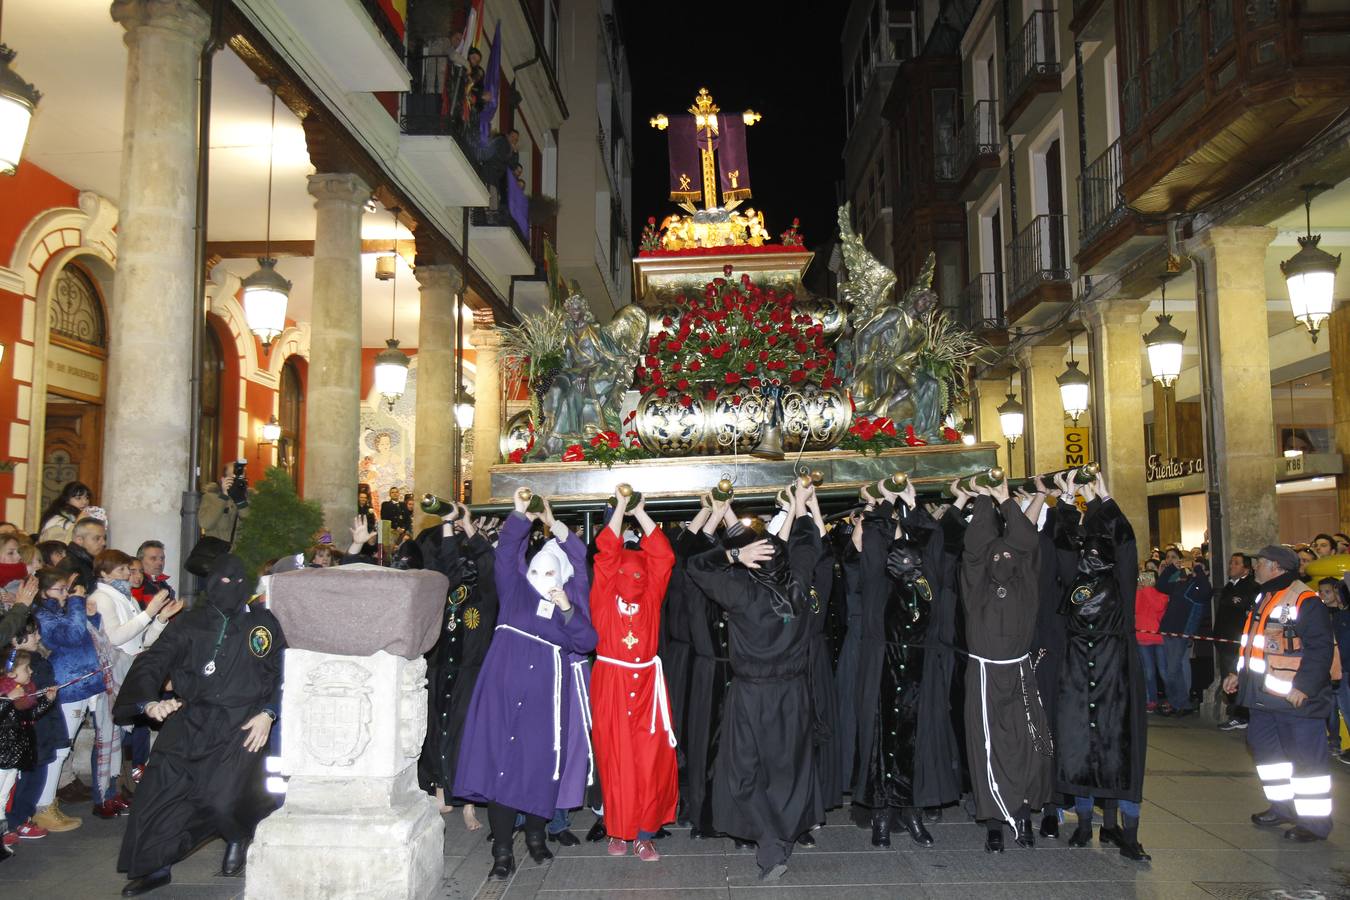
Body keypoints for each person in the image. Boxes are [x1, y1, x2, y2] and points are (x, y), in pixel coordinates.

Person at [114, 554, 286, 895]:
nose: (231, 589)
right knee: (160, 791)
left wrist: (268, 712)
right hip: (191, 717)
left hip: (243, 723)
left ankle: (237, 833)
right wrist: (149, 702)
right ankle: (154, 865)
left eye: (238, 582)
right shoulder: (190, 623)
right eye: (223, 581)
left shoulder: (263, 624)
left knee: (220, 799)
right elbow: (154, 661)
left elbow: (282, 673)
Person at [454, 490, 597, 881]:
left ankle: (536, 836)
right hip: (503, 689)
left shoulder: (570, 609)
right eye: (538, 571)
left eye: (550, 573)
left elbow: (587, 642)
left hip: (544, 697)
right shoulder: (515, 591)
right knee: (501, 766)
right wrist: (521, 515)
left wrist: (567, 606)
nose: (541, 578)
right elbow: (507, 556)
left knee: (541, 765)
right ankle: (502, 850)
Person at [687, 483, 824, 882]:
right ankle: (779, 841)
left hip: (752, 695)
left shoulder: (741, 591)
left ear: (754, 564)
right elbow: (806, 543)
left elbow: (695, 567)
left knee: (743, 773)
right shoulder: (798, 586)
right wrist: (800, 503)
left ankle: (770, 843)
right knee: (788, 772)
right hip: (793, 694)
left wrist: (733, 553)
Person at [854, 479, 960, 848]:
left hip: (919, 669)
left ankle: (911, 812)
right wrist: (884, 505)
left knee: (918, 744)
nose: (905, 565)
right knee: (879, 745)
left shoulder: (928, 582)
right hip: (883, 665)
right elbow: (873, 544)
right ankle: (882, 815)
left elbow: (934, 543)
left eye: (911, 561)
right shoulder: (877, 586)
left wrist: (912, 506)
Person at [1051, 475, 1150, 861]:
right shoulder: (1072, 583)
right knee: (1078, 747)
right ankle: (1084, 825)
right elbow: (1061, 546)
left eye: (1097, 551)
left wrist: (1102, 497)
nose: (1090, 557)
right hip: (1077, 669)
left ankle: (1125, 829)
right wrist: (1065, 499)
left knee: (1119, 751)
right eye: (1085, 551)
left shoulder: (1120, 585)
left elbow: (1125, 541)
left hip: (1116, 672)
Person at [959, 479, 1053, 853]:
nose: (1002, 562)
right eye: (995, 558)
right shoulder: (976, 582)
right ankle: (995, 822)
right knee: (987, 748)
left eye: (1008, 558)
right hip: (984, 674)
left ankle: (1022, 812)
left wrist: (1006, 501)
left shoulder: (1026, 581)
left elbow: (1026, 543)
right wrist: (984, 498)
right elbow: (975, 546)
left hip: (1018, 674)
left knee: (1028, 746)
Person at [1224, 545, 1336, 843]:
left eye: (1259, 562)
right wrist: (1239, 675)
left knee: (1306, 761)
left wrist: (1304, 687)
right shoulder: (1264, 596)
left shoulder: (1304, 600)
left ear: (1276, 567)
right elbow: (1254, 645)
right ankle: (1283, 807)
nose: (1255, 567)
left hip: (1294, 699)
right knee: (1265, 751)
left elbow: (1320, 648)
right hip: (1263, 696)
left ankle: (1314, 823)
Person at [588, 488, 677, 861]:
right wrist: (620, 508)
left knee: (650, 759)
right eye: (628, 572)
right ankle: (618, 829)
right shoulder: (603, 593)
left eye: (640, 573)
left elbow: (664, 555)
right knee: (614, 756)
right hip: (611, 681)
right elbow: (605, 552)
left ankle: (644, 833)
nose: (635, 579)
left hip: (647, 686)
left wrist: (639, 512)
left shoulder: (653, 593)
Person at [417, 503, 498, 833]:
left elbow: (489, 563)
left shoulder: (487, 594)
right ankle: (440, 791)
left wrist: (470, 528)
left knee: (466, 736)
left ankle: (467, 802)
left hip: (471, 672)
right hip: (440, 669)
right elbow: (445, 568)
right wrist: (449, 526)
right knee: (437, 731)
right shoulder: (446, 591)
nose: (463, 567)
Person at [32, 567, 117, 830]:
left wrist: (91, 616)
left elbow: (86, 636)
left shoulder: (59, 610)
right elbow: (71, 636)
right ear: (43, 592)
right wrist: (78, 603)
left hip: (82, 685)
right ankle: (43, 806)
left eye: (66, 589)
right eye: (59, 590)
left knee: (64, 747)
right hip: (66, 688)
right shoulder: (43, 615)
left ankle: (48, 802)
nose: (65, 594)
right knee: (58, 749)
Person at [5, 615, 70, 842]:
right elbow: (18, 704)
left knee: (34, 776)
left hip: (36, 729)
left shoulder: (34, 661)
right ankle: (15, 821)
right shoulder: (14, 667)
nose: (39, 636)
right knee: (20, 782)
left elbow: (34, 705)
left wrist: (46, 700)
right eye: (34, 633)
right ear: (17, 637)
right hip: (20, 736)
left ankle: (19, 820)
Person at [0, 648, 59, 858]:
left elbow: (28, 716)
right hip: (3, 754)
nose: (31, 672)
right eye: (26, 668)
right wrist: (7, 700)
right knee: (0, 796)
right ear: (11, 673)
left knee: (5, 794)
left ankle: (4, 834)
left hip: (13, 755)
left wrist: (47, 701)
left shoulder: (21, 693)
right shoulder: (5, 693)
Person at [1156, 548, 1210, 715]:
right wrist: (1172, 568)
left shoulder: (1201, 587)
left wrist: (1199, 569)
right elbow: (1161, 586)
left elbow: (1206, 590)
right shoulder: (1182, 583)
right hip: (1168, 629)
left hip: (1181, 632)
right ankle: (1178, 703)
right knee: (1171, 670)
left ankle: (1181, 702)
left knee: (1173, 671)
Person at [1215, 553, 1258, 730]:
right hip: (1224, 640)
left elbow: (1244, 610)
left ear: (1246, 569)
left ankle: (1241, 715)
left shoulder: (1251, 587)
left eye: (1236, 563)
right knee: (1228, 677)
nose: (1231, 566)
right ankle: (1236, 712)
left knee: (1236, 678)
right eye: (1231, 562)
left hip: (1236, 640)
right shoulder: (1229, 587)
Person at [1135, 569, 1168, 712]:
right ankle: (1151, 700)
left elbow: (1158, 607)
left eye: (1147, 578)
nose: (1143, 580)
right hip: (1142, 638)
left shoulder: (1163, 595)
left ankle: (1171, 699)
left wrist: (1148, 589)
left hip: (1159, 638)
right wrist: (1140, 590)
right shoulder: (1138, 594)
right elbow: (1135, 608)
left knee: (1164, 671)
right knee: (1148, 672)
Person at [199, 465, 246, 545]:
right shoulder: (211, 497)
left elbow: (249, 522)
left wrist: (240, 499)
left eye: (240, 478)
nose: (237, 481)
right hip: (218, 553)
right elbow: (205, 524)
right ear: (223, 479)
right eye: (233, 477)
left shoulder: (247, 498)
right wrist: (224, 496)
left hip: (240, 553)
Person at [132, 541, 175, 608]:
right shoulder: (136, 584)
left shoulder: (162, 583)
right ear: (140, 561)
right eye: (153, 558)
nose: (160, 562)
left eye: (162, 558)